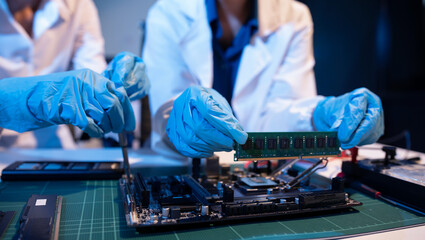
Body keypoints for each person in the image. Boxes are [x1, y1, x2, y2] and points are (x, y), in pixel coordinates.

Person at [144, 0, 384, 158]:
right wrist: (182, 117)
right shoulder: (167, 14)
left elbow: (280, 115)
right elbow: (165, 114)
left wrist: (317, 114)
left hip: (254, 168)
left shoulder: (294, 16)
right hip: (183, 166)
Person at [0, 0, 148, 148]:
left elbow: (92, 76)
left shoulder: (78, 4)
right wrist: (14, 100)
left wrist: (113, 86)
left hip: (54, 146)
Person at [0, 65, 149, 140]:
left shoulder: (77, 5)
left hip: (61, 148)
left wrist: (109, 84)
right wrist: (10, 99)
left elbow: (90, 72)